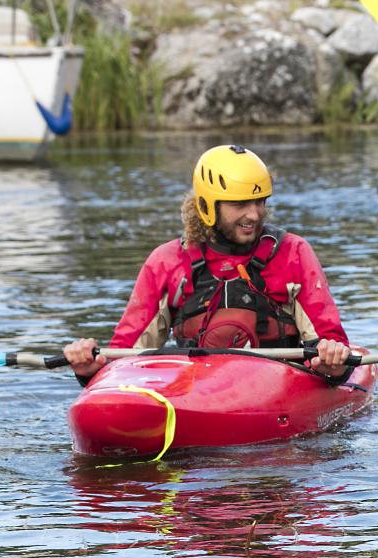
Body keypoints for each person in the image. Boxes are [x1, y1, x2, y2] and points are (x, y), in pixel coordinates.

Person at [62, 145, 355, 382]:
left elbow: (330, 341)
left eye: (260, 202)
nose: (254, 215)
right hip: (194, 388)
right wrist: (89, 368)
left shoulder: (292, 253)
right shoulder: (168, 262)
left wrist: (332, 359)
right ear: (206, 206)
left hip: (277, 385)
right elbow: (122, 355)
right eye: (239, 204)